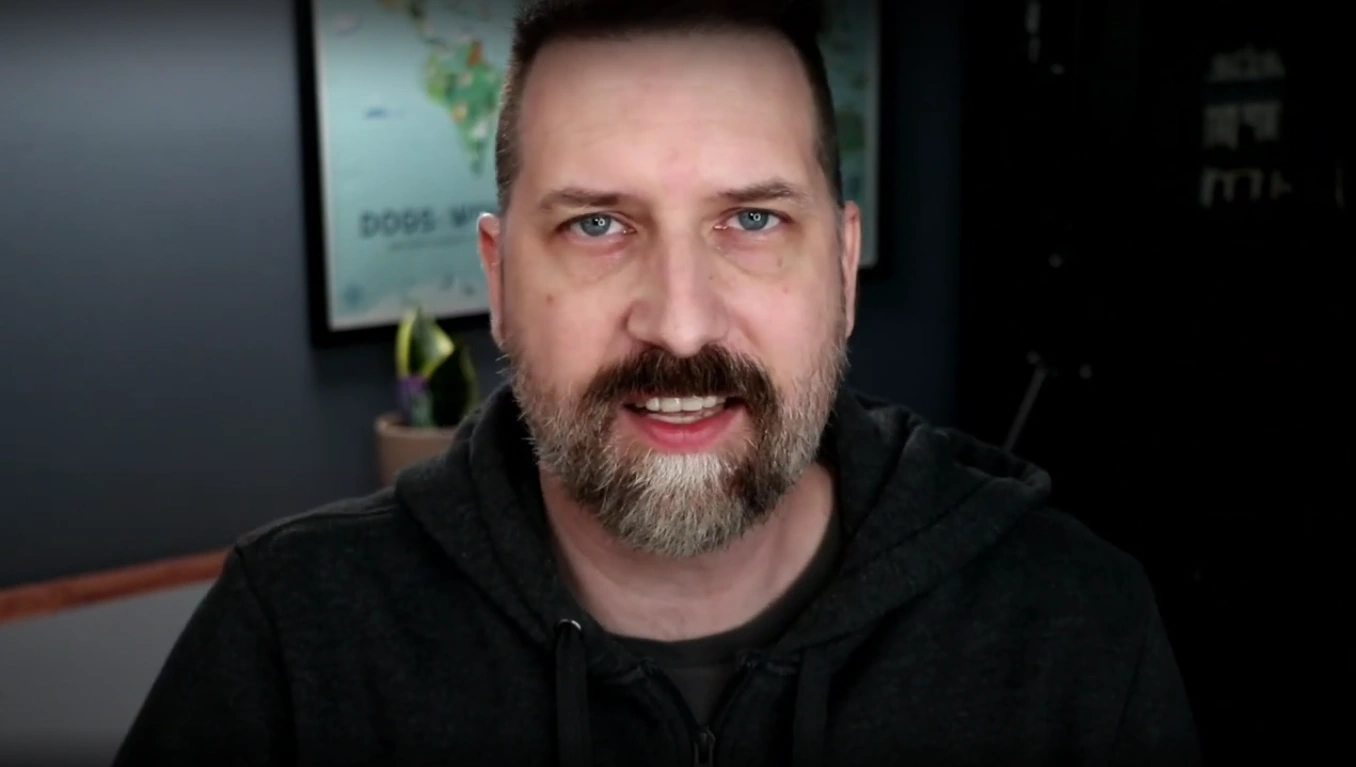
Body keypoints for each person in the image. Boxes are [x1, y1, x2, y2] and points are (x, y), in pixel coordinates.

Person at [114, 0, 1200, 765]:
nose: (679, 323)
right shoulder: (292, 647)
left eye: (752, 219)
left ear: (841, 267)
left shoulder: (1070, 628)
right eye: (597, 224)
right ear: (498, 280)